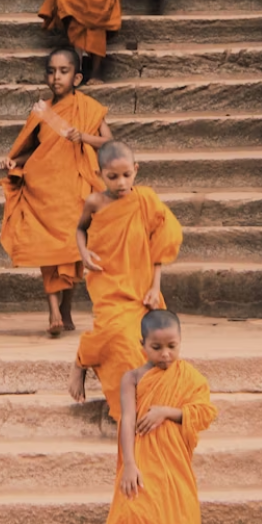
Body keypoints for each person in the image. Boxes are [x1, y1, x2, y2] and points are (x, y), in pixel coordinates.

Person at [100, 309, 217, 524]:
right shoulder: (133, 378)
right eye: (157, 347)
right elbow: (127, 421)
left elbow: (204, 413)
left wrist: (166, 411)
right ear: (143, 346)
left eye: (172, 346)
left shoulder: (189, 377)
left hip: (174, 458)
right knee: (140, 511)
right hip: (143, 455)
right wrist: (129, 464)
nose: (165, 354)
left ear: (180, 343)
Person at [0, 47, 112, 336]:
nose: (56, 76)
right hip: (43, 187)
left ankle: (67, 308)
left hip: (74, 187)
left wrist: (82, 136)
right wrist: (14, 161)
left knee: (72, 251)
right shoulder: (41, 110)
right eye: (51, 71)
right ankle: (52, 310)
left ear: (77, 77)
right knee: (48, 248)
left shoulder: (88, 108)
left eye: (63, 71)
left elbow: (109, 143)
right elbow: (32, 149)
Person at [68, 140, 182, 419]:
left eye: (127, 175)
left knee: (137, 344)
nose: (121, 183)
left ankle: (138, 407)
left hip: (141, 283)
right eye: (113, 177)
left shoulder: (145, 200)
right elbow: (80, 230)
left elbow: (161, 244)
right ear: (99, 175)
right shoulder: (94, 202)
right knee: (112, 332)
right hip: (107, 279)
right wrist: (83, 252)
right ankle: (81, 362)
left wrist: (156, 287)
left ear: (136, 170)